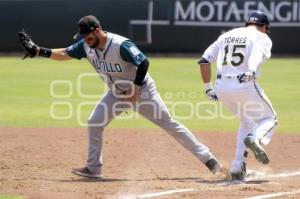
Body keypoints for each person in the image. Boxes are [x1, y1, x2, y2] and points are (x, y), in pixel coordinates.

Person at [18, 15, 226, 179]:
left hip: (142, 91)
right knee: (94, 121)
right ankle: (93, 169)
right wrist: (38, 51)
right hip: (116, 94)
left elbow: (143, 63)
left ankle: (210, 161)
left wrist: (135, 88)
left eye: (88, 36)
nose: (85, 41)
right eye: (82, 37)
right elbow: (65, 53)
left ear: (97, 30)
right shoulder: (86, 46)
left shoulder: (120, 45)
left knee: (170, 125)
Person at [198, 11, 278, 180]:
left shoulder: (227, 35)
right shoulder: (262, 36)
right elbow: (256, 55)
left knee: (247, 121)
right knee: (270, 119)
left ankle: (237, 166)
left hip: (222, 87)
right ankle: (256, 138)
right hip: (244, 83)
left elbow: (204, 60)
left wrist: (208, 88)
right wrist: (251, 70)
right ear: (264, 26)